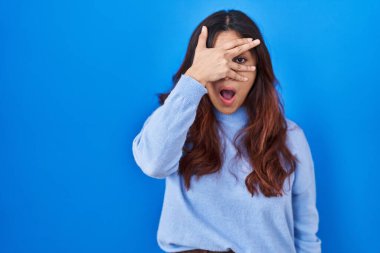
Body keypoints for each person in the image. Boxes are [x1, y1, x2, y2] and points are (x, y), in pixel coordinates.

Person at [132, 9, 322, 253]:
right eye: (215, 61)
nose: (226, 73)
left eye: (240, 60)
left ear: (258, 68)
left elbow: (306, 235)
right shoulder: (176, 123)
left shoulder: (291, 137)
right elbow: (153, 164)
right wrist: (195, 79)